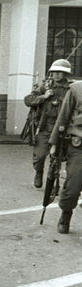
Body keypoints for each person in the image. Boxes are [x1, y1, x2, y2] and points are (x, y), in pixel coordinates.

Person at [24, 59, 72, 188]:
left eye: (60, 72)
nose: (57, 75)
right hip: (44, 128)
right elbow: (28, 100)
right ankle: (38, 172)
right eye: (55, 72)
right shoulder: (44, 87)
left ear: (66, 74)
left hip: (62, 128)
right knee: (39, 156)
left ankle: (54, 179)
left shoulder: (71, 90)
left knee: (58, 157)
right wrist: (44, 97)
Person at [49, 80, 82, 234]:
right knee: (73, 185)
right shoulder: (76, 89)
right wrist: (54, 143)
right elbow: (63, 116)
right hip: (79, 146)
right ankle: (66, 213)